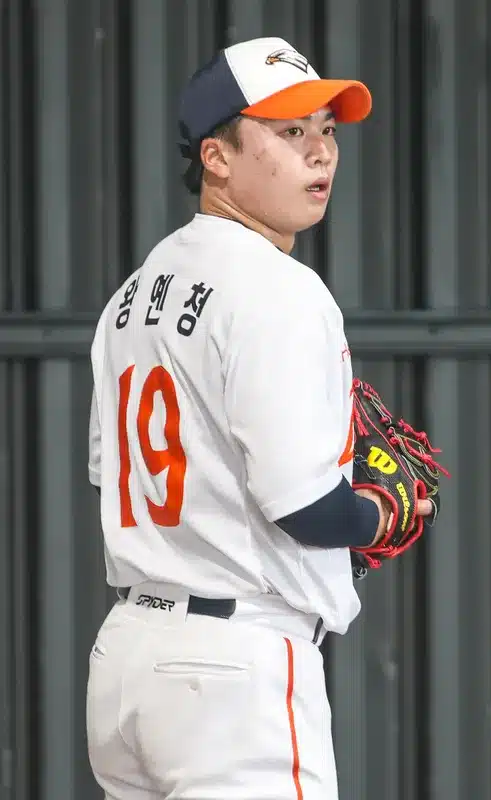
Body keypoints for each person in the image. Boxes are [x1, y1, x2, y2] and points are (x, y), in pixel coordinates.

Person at [86, 36, 433, 800]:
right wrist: (385, 509)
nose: (319, 154)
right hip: (234, 671)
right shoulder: (278, 289)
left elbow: (111, 477)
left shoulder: (133, 297)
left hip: (128, 663)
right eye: (287, 132)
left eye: (326, 131)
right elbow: (305, 509)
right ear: (216, 156)